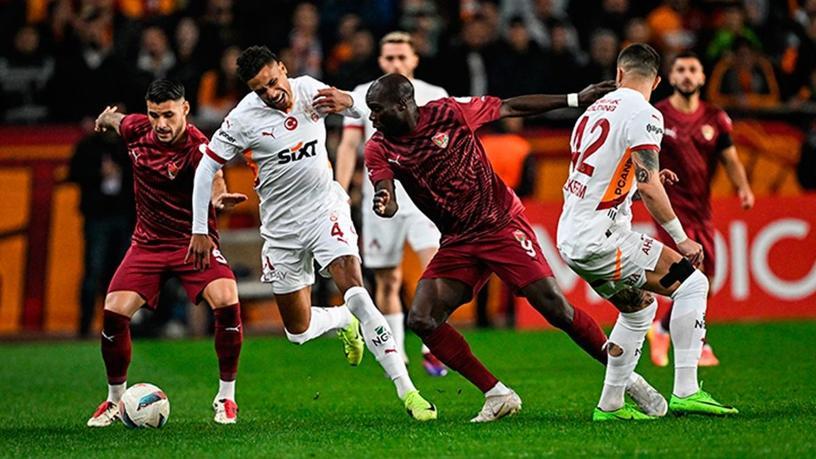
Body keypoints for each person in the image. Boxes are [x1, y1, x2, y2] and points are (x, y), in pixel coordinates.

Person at [364, 74, 667, 423]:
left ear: (404, 104)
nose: (372, 117)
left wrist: (572, 98)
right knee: (422, 318)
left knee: (555, 308)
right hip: (458, 240)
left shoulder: (449, 113)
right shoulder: (379, 147)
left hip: (501, 224)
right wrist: (383, 201)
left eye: (377, 109)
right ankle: (497, 394)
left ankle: (628, 379)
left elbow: (509, 107)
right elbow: (385, 190)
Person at [187, 46, 437, 421]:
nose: (271, 93)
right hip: (282, 230)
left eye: (273, 82)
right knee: (298, 331)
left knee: (358, 293)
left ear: (283, 68)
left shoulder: (308, 89)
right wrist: (200, 229)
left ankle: (409, 392)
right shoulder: (242, 119)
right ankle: (341, 320)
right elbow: (206, 168)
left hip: (325, 209)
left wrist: (348, 101)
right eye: (260, 90)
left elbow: (366, 111)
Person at [556, 43, 738, 421]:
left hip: (571, 237)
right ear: (656, 82)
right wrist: (681, 237)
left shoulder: (591, 112)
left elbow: (602, 178)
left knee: (639, 310)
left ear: (619, 74)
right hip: (603, 235)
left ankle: (610, 405)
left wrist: (638, 188)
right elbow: (649, 182)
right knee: (694, 284)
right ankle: (687, 390)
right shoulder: (646, 113)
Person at [86, 79, 248, 427]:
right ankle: (114, 400)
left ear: (185, 110)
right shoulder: (136, 130)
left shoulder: (198, 147)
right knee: (113, 311)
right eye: (154, 114)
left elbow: (215, 178)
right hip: (148, 243)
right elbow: (119, 120)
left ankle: (226, 397)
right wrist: (106, 117)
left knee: (227, 298)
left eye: (169, 115)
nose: (161, 124)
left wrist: (219, 198)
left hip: (193, 243)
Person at [335, 31, 448, 376]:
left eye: (402, 57)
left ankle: (432, 346)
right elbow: (348, 145)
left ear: (414, 59)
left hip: (424, 196)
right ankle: (397, 354)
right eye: (389, 58)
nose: (396, 63)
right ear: (380, 60)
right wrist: (339, 192)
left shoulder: (434, 94)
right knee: (387, 279)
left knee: (436, 267)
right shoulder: (362, 95)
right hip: (381, 197)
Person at [647, 51, 755, 368]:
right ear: (671, 77)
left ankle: (662, 328)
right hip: (669, 211)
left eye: (693, 69)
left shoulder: (715, 118)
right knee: (691, 275)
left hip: (702, 211)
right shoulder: (657, 116)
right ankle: (699, 343)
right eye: (680, 69)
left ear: (702, 77)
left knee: (706, 279)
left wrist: (743, 187)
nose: (687, 75)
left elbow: (730, 159)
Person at [68, 119, 134, 338]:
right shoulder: (88, 147)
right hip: (97, 216)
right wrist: (98, 173)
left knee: (119, 274)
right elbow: (74, 174)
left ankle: (117, 325)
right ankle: (85, 325)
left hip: (122, 215)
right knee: (94, 271)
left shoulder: (127, 147)